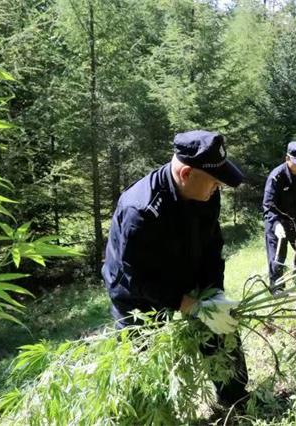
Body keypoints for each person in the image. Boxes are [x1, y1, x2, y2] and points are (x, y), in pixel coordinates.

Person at [101, 130, 248, 406]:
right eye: (214, 181)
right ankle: (152, 414)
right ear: (186, 174)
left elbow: (212, 245)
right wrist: (188, 305)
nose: (218, 187)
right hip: (137, 295)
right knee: (146, 363)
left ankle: (237, 402)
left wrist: (213, 293)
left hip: (185, 272)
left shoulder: (207, 194)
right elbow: (136, 278)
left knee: (221, 331)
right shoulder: (141, 210)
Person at [262, 141, 296, 293]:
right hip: (277, 218)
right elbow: (268, 205)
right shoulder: (276, 177)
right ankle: (277, 287)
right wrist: (275, 223)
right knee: (278, 255)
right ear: (287, 159)